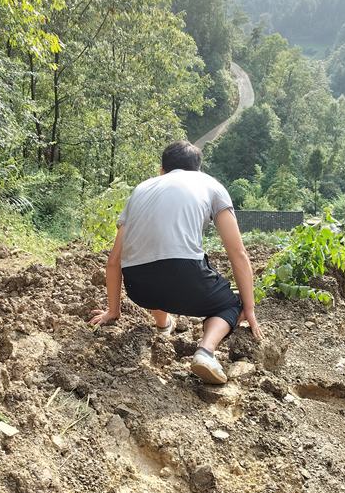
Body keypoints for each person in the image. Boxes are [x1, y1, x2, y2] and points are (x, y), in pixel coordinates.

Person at [90, 141, 263, 385]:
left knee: (155, 268)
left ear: (162, 170)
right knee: (232, 305)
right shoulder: (210, 185)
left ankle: (163, 324)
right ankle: (205, 351)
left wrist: (113, 311)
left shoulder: (141, 189)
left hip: (139, 288)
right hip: (186, 279)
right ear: (199, 170)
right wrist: (250, 308)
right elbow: (238, 253)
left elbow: (113, 261)